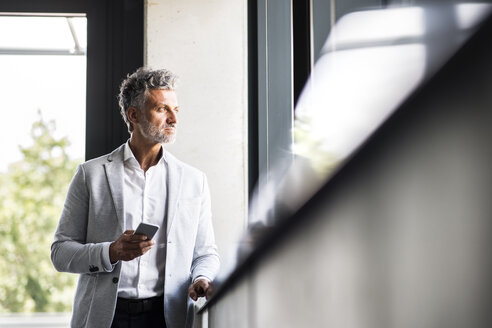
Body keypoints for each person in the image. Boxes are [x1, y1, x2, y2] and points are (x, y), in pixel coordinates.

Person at [51, 67, 220, 328]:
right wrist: (111, 251)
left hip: (167, 316)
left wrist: (202, 277)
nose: (173, 119)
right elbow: (60, 253)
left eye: (176, 109)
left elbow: (206, 253)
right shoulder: (91, 174)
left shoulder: (193, 180)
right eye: (162, 109)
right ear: (134, 114)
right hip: (105, 316)